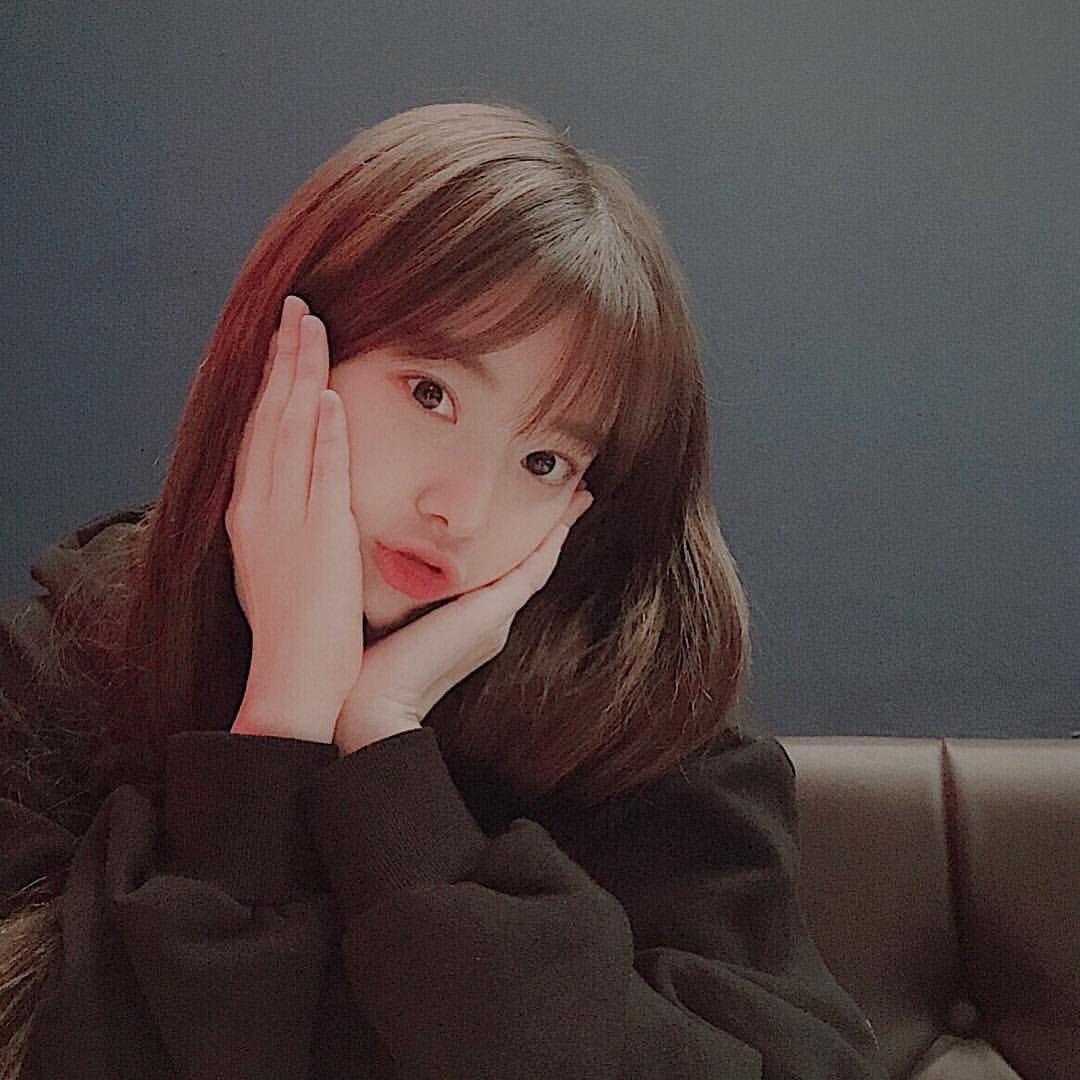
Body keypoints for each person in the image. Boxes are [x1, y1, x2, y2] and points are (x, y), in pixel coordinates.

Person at [0, 101, 886, 1078]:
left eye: (544, 461)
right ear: (284, 361)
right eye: (432, 394)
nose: (461, 508)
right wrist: (281, 718)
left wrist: (386, 758)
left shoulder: (651, 752)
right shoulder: (66, 663)